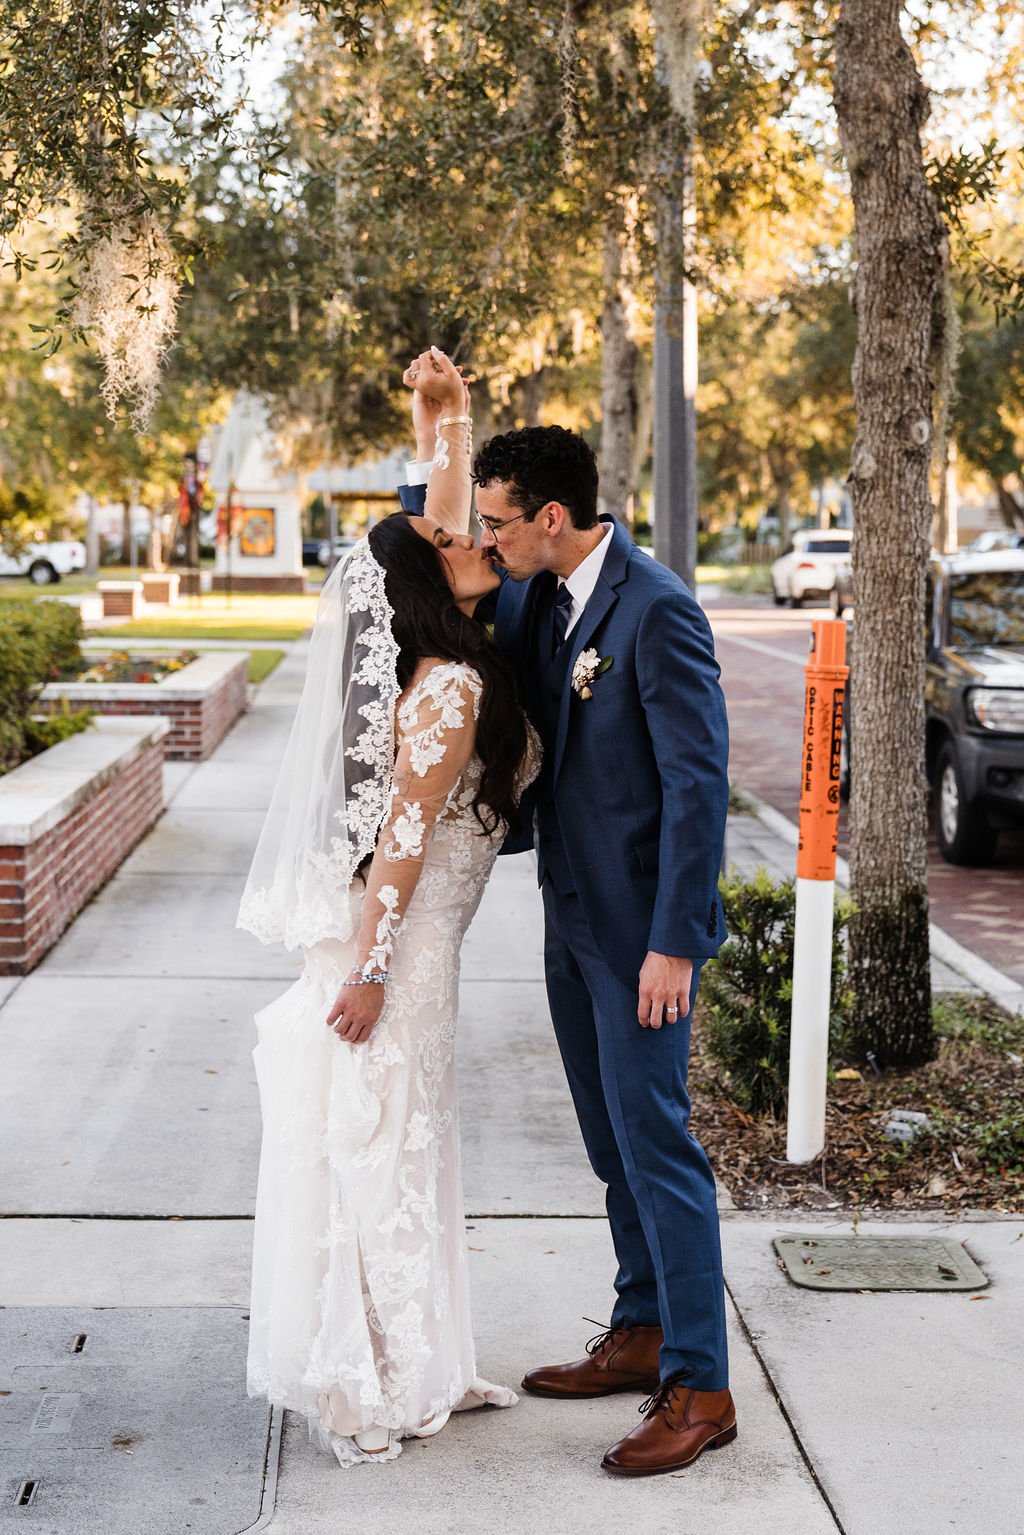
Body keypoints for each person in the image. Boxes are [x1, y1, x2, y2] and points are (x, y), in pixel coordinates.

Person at [400, 418, 735, 1477]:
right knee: (608, 1144)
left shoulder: (661, 611)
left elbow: (695, 788)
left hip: (642, 938)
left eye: (502, 522)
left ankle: (701, 1381)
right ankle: (639, 1326)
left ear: (552, 517)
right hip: (568, 915)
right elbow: (433, 554)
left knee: (659, 1147)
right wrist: (438, 430)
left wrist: (675, 942)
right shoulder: (539, 592)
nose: (487, 540)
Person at [238, 349, 538, 1466]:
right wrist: (367, 970)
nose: (470, 539)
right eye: (451, 544)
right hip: (398, 959)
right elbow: (399, 847)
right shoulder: (450, 683)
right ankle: (380, 1371)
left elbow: (439, 528)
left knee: (409, 1149)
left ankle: (424, 1356)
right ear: (425, 585)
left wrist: (447, 424)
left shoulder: (442, 652)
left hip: (418, 957)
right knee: (386, 1154)